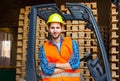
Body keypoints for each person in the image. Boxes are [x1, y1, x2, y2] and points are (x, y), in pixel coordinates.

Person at [38, 13, 81, 81]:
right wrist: (68, 67)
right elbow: (46, 70)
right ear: (48, 29)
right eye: (52, 28)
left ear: (61, 29)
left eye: (57, 27)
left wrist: (54, 65)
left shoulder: (72, 43)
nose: (55, 31)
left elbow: (76, 64)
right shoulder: (43, 48)